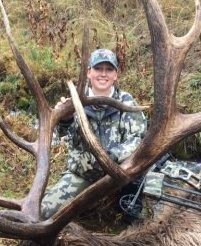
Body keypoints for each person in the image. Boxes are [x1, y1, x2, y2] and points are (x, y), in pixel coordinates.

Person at [41, 48, 147, 219]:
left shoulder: (127, 101)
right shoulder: (73, 101)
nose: (103, 74)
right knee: (45, 211)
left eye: (109, 69)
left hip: (120, 173)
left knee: (140, 216)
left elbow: (138, 139)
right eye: (98, 69)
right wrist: (65, 119)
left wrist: (110, 157)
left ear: (115, 75)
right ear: (89, 72)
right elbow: (62, 135)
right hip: (84, 173)